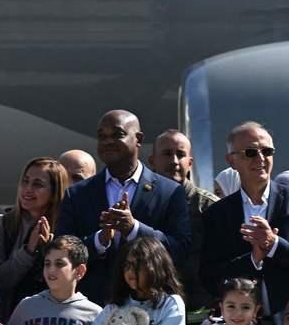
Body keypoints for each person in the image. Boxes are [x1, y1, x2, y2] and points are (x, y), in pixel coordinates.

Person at [56, 110, 191, 305]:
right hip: (93, 308)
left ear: (138, 139)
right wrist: (99, 240)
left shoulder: (169, 192)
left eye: (117, 134)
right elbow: (63, 252)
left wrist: (133, 229)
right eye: (102, 136)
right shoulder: (77, 194)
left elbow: (180, 250)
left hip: (149, 308)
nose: (108, 141)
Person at [200, 122, 289, 322]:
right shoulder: (218, 213)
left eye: (267, 151)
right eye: (250, 152)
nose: (261, 158)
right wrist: (252, 261)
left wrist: (274, 244)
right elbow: (209, 277)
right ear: (232, 160)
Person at [0, 157, 66, 324]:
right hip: (5, 324)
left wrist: (50, 250)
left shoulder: (66, 229)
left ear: (54, 192)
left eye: (37, 184)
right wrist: (28, 252)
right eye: (25, 181)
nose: (27, 189)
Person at [149, 129, 219, 316]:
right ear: (152, 161)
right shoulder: (141, 204)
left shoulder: (210, 207)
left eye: (180, 155)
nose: (174, 161)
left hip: (199, 315)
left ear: (190, 162)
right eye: (166, 154)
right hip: (151, 313)